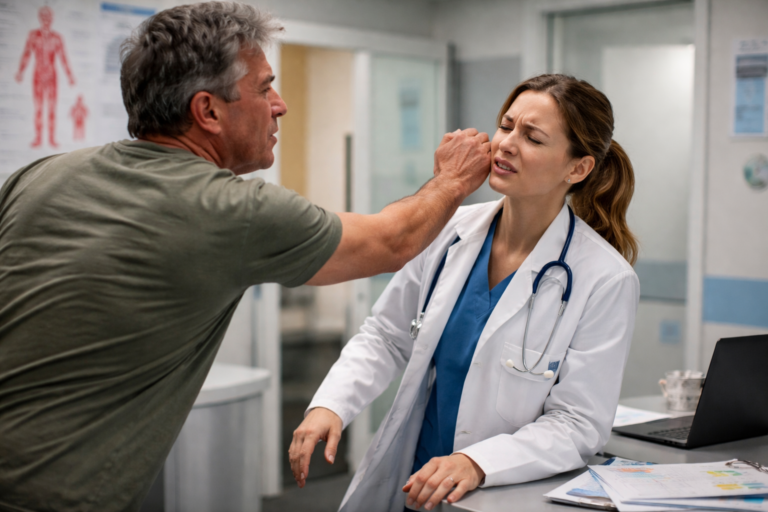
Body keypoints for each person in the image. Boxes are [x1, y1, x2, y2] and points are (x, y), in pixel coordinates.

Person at [0, 3, 490, 511]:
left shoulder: (37, 178)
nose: (279, 105)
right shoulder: (229, 209)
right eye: (263, 88)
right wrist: (453, 179)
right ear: (208, 111)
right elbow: (393, 241)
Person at [290, 74, 641, 512]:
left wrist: (476, 462)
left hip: (500, 491)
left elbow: (578, 423)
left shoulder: (605, 278)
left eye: (532, 137)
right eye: (506, 125)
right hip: (415, 483)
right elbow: (386, 334)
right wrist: (332, 404)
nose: (506, 144)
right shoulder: (449, 231)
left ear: (578, 168)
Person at [15, 6, 76, 148]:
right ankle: (38, 138)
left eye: (48, 17)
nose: (46, 20)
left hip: (52, 76)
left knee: (52, 109)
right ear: (39, 18)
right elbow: (26, 54)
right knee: (38, 108)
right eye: (43, 17)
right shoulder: (33, 35)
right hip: (37, 75)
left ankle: (51, 139)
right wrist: (20, 71)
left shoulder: (57, 38)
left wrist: (70, 76)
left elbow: (63, 58)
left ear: (52, 18)